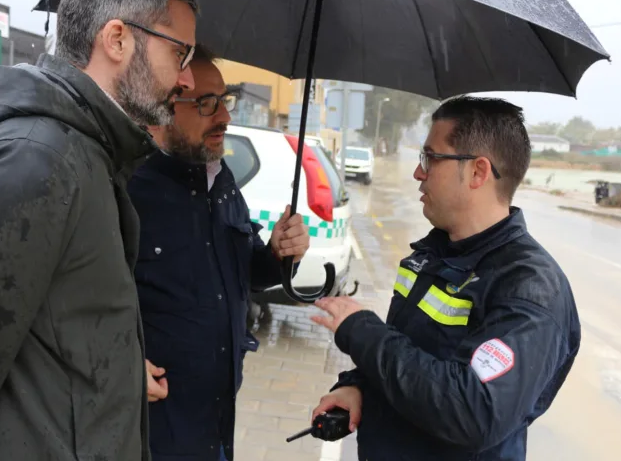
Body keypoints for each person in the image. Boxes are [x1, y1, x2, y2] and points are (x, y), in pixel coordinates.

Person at [0, 0, 197, 461]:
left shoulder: (90, 155)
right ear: (118, 39)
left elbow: (60, 331)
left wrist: (121, 370)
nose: (187, 80)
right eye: (181, 53)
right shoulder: (36, 160)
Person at [310, 97, 581, 461]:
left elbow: (473, 412)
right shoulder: (431, 255)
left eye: (431, 158)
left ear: (477, 172)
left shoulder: (529, 288)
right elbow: (412, 356)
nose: (418, 173)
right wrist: (358, 387)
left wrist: (362, 331)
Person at [127, 45, 311, 461]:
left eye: (224, 100)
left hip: (216, 424)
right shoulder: (125, 185)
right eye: (207, 103)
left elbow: (240, 272)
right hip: (151, 434)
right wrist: (115, 365)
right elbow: (71, 304)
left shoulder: (218, 177)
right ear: (163, 105)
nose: (225, 117)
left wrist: (279, 256)